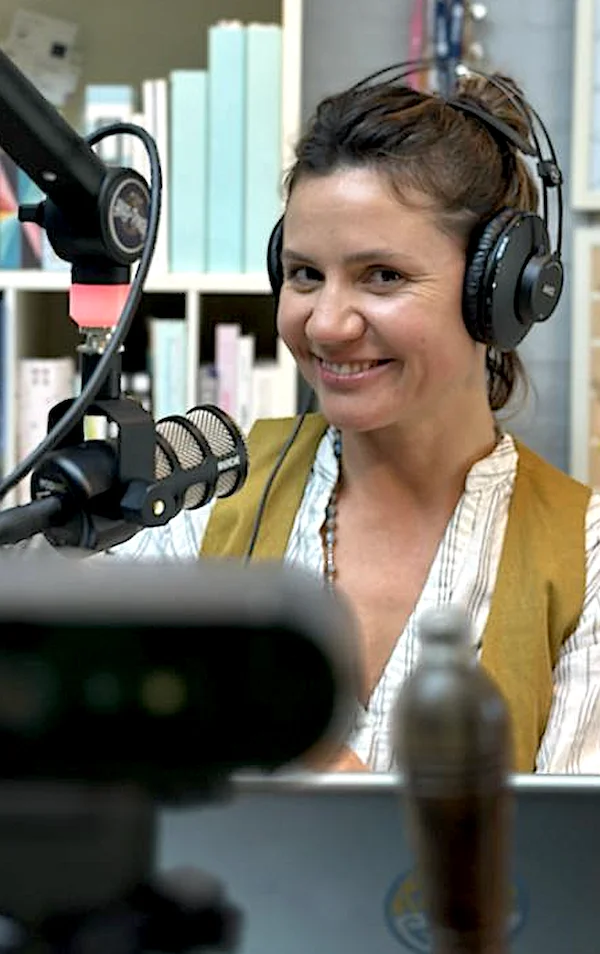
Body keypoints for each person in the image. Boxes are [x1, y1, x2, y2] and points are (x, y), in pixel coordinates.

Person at [109, 66, 600, 775]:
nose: (327, 325)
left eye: (383, 276)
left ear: (497, 293)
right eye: (305, 274)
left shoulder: (585, 560)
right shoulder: (205, 491)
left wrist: (316, 765)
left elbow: (571, 843)